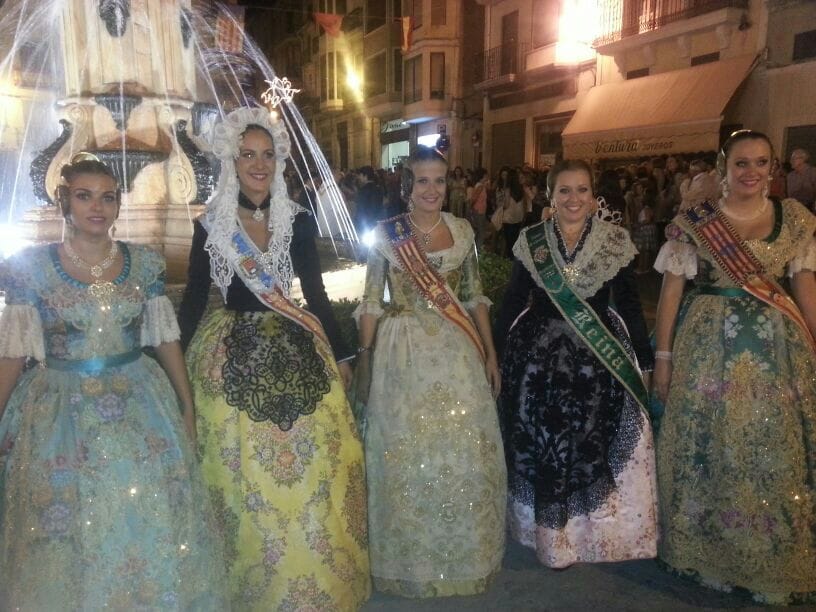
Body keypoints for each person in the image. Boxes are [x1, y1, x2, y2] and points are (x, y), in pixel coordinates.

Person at [0, 155, 227, 609]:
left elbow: (164, 339)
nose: (97, 207)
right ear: (64, 202)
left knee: (146, 505)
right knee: (68, 515)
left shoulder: (144, 264)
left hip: (140, 404)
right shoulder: (31, 268)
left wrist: (185, 405)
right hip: (59, 413)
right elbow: (13, 352)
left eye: (107, 198)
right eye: (84, 196)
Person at [178, 107, 370, 610]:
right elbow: (194, 300)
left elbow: (316, 295)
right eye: (248, 155)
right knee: (239, 469)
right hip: (230, 349)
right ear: (232, 161)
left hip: (295, 343)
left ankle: (313, 572)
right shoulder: (211, 225)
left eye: (267, 155)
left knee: (316, 459)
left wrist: (341, 355)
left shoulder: (297, 220)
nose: (258, 164)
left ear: (279, 161)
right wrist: (173, 368)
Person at [653, 130, 816, 604]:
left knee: (771, 445)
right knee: (712, 442)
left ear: (773, 167)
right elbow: (670, 295)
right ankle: (709, 551)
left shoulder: (795, 220)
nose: (752, 172)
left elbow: (805, 287)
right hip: (707, 352)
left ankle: (774, 554)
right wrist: (663, 358)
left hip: (779, 354)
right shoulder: (694, 223)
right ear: (723, 167)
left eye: (761, 162)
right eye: (741, 163)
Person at [355, 146, 506, 598]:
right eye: (422, 180)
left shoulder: (462, 231)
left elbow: (475, 297)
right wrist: (364, 356)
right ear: (407, 185)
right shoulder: (387, 235)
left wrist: (490, 353)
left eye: (439, 180)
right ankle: (409, 557)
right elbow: (371, 300)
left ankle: (465, 554)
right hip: (402, 356)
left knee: (463, 448)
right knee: (405, 450)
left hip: (458, 351)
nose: (432, 189)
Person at [495, 159, 657, 569]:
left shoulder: (614, 240)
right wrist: (494, 351)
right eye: (564, 190)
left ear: (594, 196)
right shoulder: (532, 240)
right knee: (544, 441)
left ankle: (589, 535)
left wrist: (645, 358)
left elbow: (630, 304)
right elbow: (513, 299)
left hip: (596, 359)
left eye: (582, 189)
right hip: (538, 358)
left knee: (590, 440)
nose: (574, 198)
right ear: (550, 196)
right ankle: (549, 535)